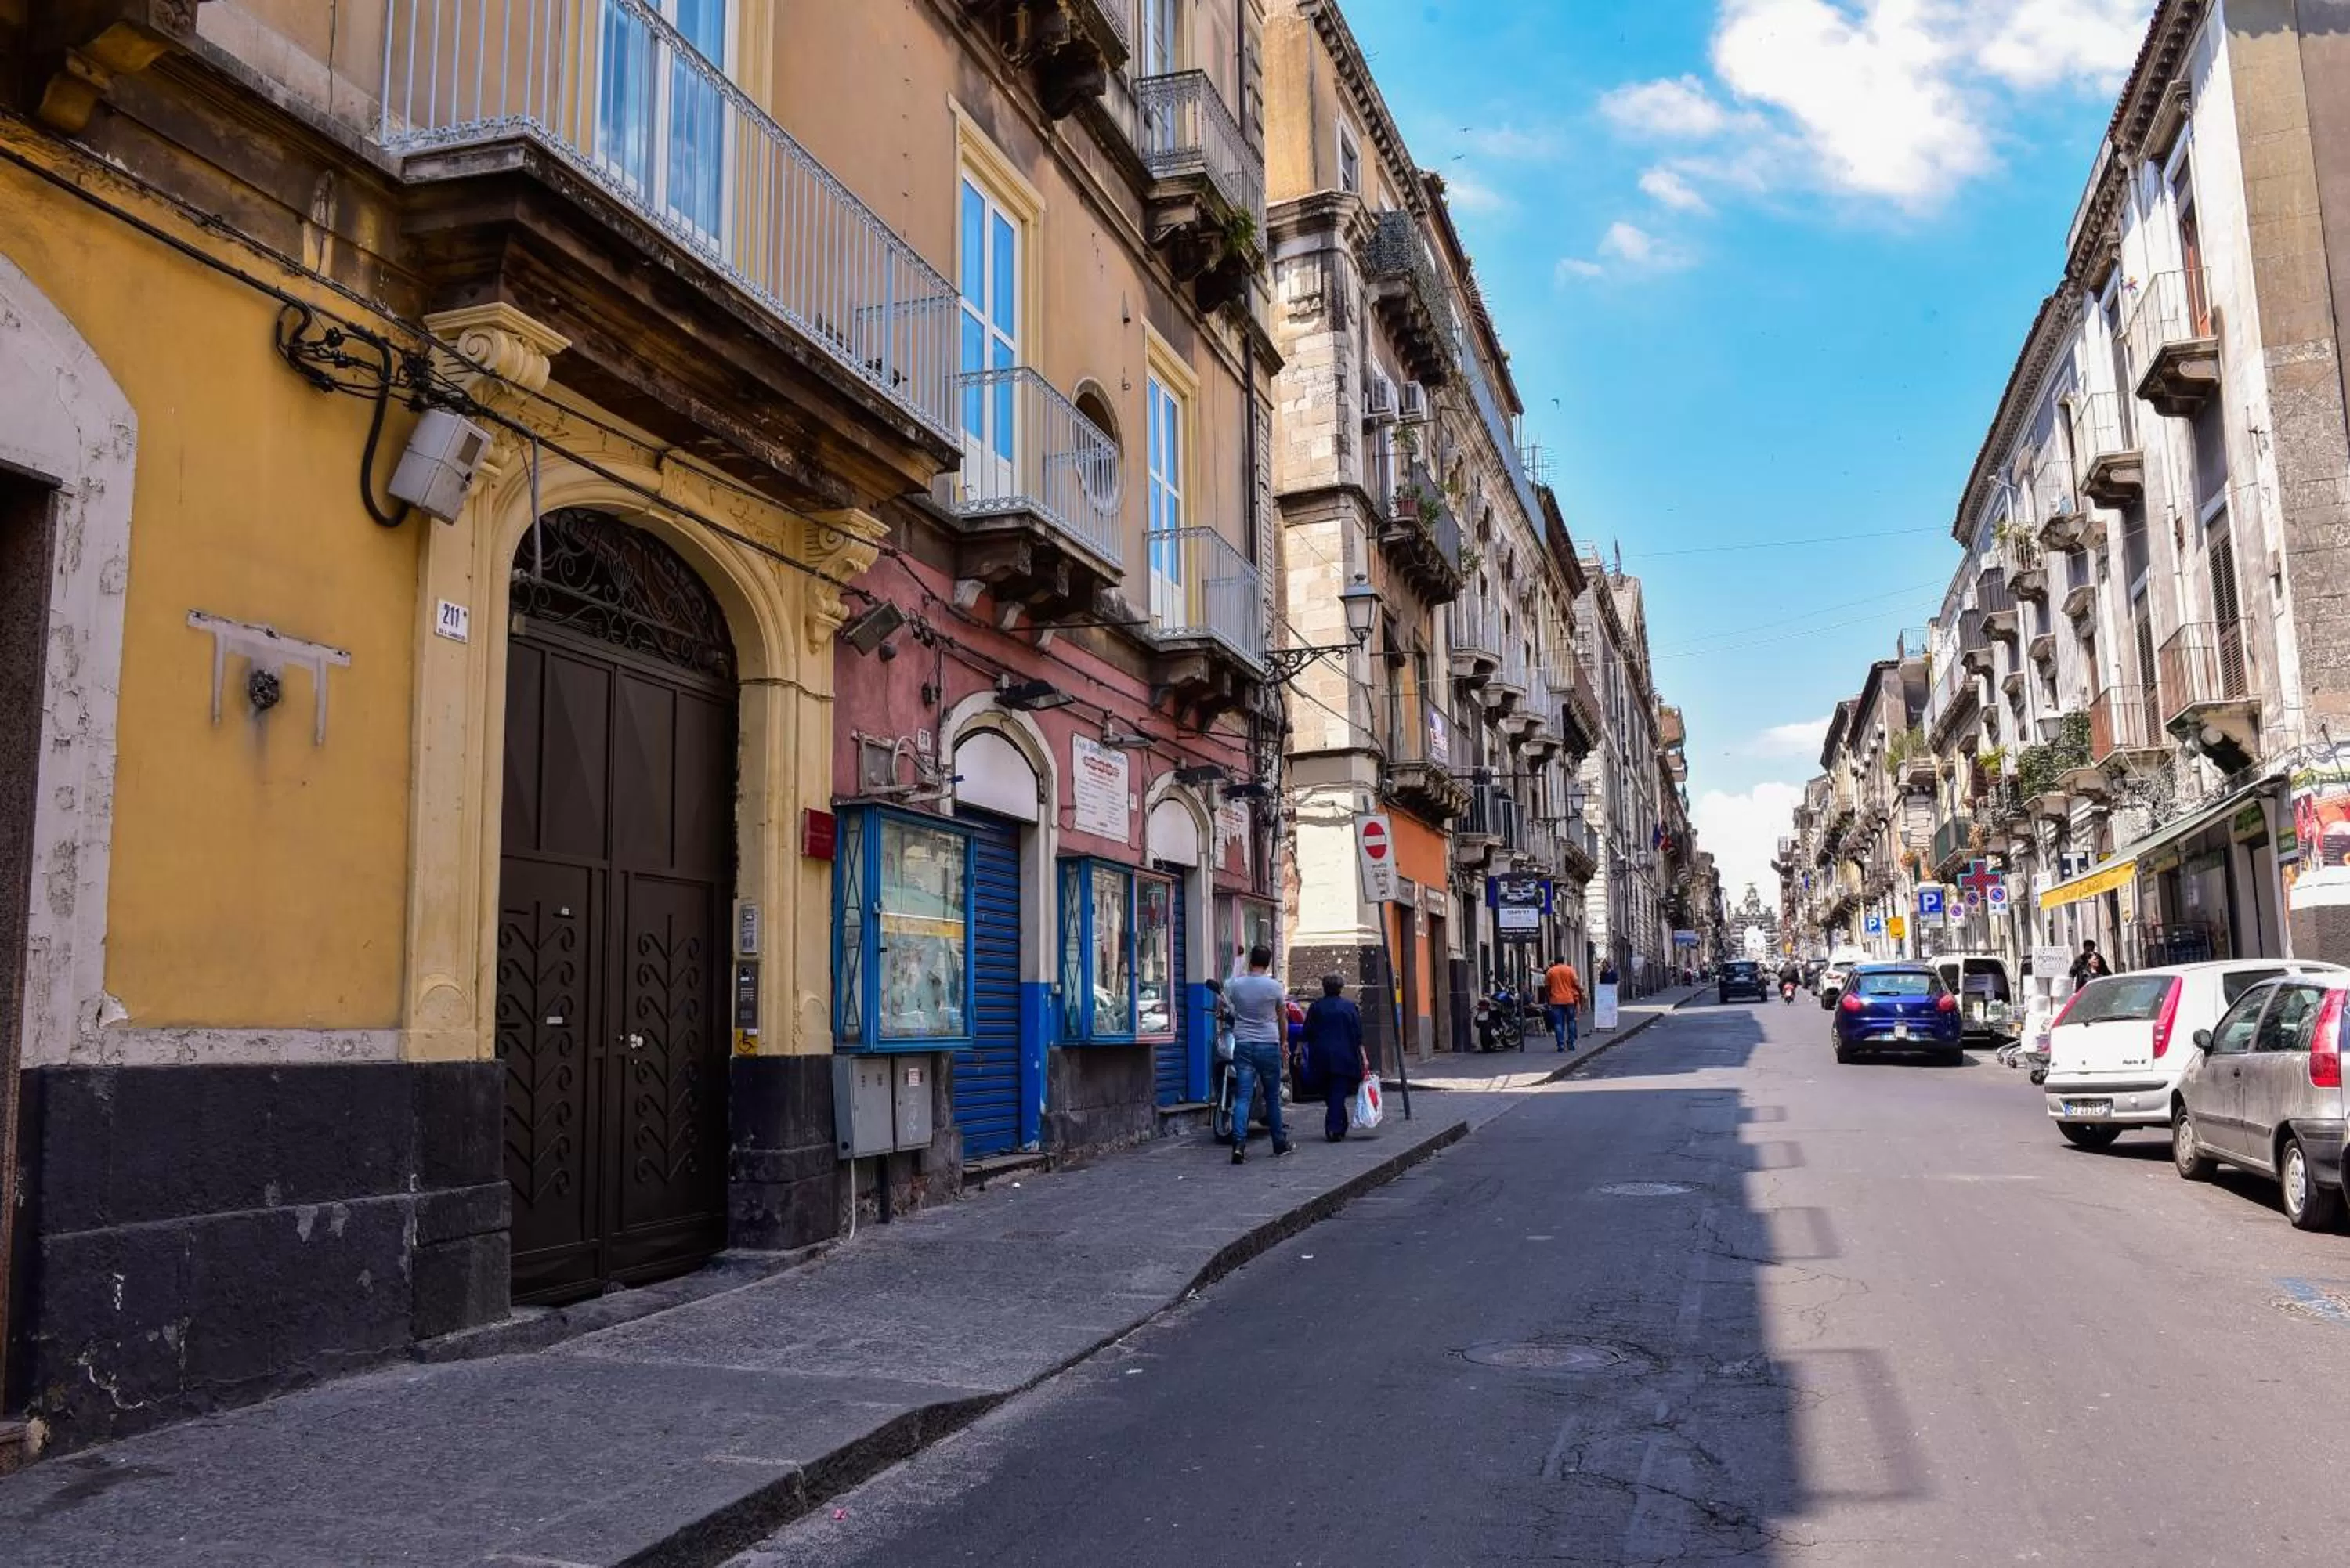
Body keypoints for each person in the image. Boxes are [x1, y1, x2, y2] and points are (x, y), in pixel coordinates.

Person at [1222, 945, 1291, 1165]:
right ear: (1268, 964)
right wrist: (1284, 1042)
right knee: (1272, 1097)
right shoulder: (1275, 987)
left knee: (1243, 1096)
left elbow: (1228, 1007)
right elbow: (1282, 1018)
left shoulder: (1236, 985)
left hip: (1243, 1045)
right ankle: (1279, 1143)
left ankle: (1239, 1145)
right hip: (1268, 1044)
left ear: (1251, 961)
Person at [1300, 974, 1368, 1142]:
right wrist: (1364, 1056)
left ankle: (1336, 1126)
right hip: (1344, 1056)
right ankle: (1335, 1127)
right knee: (1337, 1093)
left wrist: (1298, 1051)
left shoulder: (1316, 1007)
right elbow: (1358, 1034)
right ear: (1341, 988)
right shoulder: (1349, 1007)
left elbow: (1307, 1031)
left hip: (1321, 1056)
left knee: (1330, 1093)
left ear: (1324, 988)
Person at [1542, 956, 1583, 1053]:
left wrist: (1549, 998)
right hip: (1569, 1000)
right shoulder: (1570, 970)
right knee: (1571, 1022)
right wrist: (1581, 994)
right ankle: (1571, 1044)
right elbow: (1576, 984)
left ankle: (1561, 1045)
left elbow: (1547, 987)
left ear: (1555, 962)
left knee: (1558, 1023)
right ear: (1563, 961)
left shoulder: (1551, 971)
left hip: (1556, 1001)